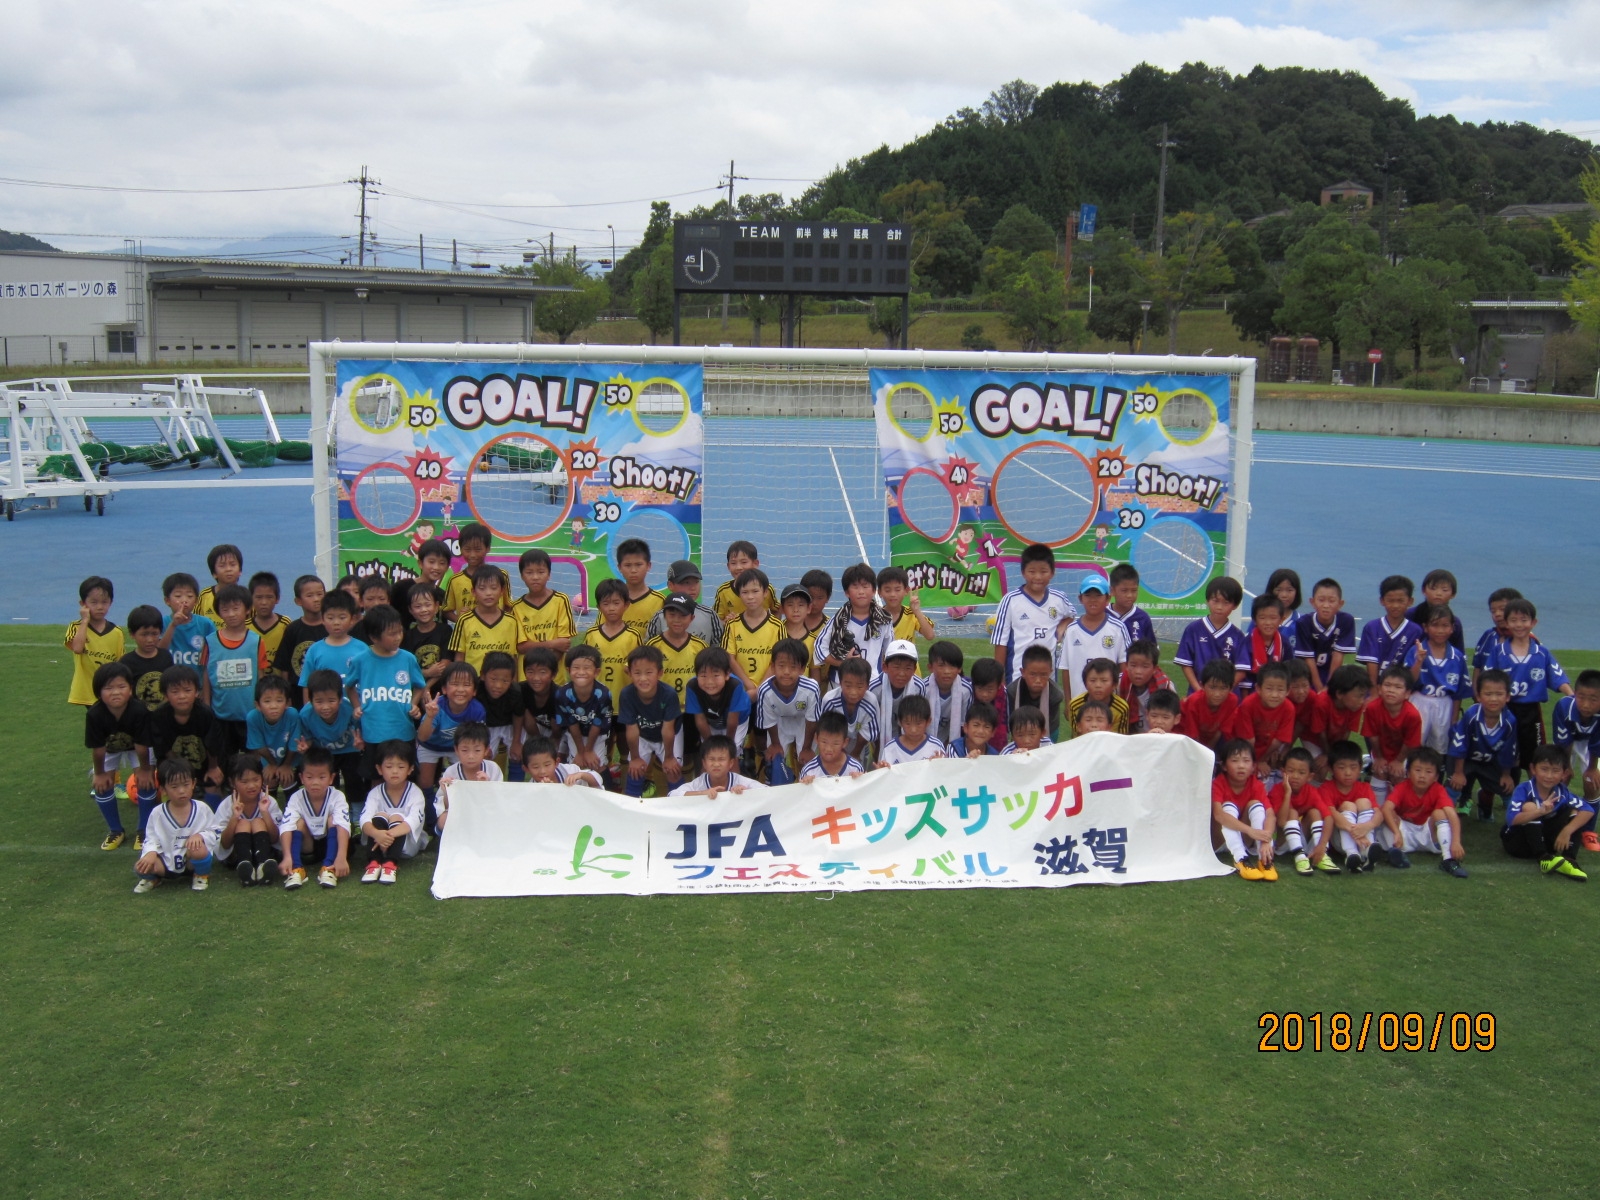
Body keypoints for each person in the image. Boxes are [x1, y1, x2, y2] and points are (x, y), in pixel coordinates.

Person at [1479, 597, 1571, 776]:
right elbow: (1487, 678)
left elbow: (1557, 676)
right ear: (1506, 623)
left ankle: (1536, 795)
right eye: (1513, 620)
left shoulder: (1541, 652)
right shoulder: (1499, 652)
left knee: (1535, 756)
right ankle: (1498, 795)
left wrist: (1571, 696)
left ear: (1533, 622)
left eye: (1524, 620)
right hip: (1505, 711)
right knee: (1504, 753)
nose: (1519, 625)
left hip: (1531, 714)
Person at [346, 604, 426, 784]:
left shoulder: (407, 658)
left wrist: (413, 704)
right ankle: (377, 811)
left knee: (406, 775)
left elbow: (420, 686)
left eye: (400, 631)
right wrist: (356, 706)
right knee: (377, 775)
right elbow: (349, 686)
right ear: (374, 637)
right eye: (392, 634)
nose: (398, 637)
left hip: (403, 730)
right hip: (374, 732)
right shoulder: (361, 660)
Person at [84, 662, 153, 851]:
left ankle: (144, 830)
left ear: (130, 690)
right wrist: (99, 774)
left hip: (137, 748)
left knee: (147, 781)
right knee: (102, 784)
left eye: (121, 687)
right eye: (109, 688)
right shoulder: (95, 714)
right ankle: (115, 830)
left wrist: (145, 770)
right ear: (99, 692)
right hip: (109, 749)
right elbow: (98, 750)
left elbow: (141, 746)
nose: (116, 692)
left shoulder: (139, 710)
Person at [200, 583, 271, 767]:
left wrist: (262, 704)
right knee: (224, 761)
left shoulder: (256, 641)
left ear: (247, 610)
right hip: (221, 715)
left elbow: (261, 675)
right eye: (225, 609)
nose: (231, 614)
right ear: (218, 612)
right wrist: (207, 705)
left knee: (253, 759)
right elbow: (206, 674)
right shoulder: (210, 641)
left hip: (249, 714)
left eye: (236, 608)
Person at [1501, 744, 1592, 880]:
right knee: (1530, 807)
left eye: (1555, 771)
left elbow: (1588, 810)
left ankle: (1569, 859)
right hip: (1518, 843)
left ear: (1564, 773)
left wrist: (1567, 830)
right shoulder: (1524, 789)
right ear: (1533, 769)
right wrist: (1539, 811)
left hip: (1547, 841)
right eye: (1544, 769)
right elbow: (1511, 819)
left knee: (1574, 810)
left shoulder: (1562, 791)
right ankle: (1543, 858)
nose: (1549, 776)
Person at [1377, 746, 1468, 876]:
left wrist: (1456, 842)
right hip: (1405, 834)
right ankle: (1397, 851)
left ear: (1436, 776)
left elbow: (1452, 814)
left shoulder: (1438, 789)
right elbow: (1386, 808)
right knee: (1388, 813)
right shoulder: (1402, 787)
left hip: (1428, 835)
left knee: (1440, 813)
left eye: (1428, 772)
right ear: (1408, 772)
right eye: (1418, 770)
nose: (1422, 776)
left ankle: (1448, 859)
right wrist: (1397, 832)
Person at [132, 758, 218, 894]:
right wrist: (150, 853)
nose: (181, 791)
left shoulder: (202, 809)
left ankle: (200, 875)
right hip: (166, 861)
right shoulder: (157, 813)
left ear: (193, 784)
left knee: (199, 849)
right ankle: (154, 879)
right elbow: (151, 838)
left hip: (191, 861)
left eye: (185, 784)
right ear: (163, 789)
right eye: (174, 787)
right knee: (141, 867)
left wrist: (200, 836)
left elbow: (215, 832)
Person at [990, 542, 1073, 683]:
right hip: (1018, 676)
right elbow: (1001, 643)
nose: (1038, 577)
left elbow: (1071, 615)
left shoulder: (1059, 599)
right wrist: (1000, 680)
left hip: (1048, 678)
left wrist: (1062, 627)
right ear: (1023, 572)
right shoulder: (1010, 600)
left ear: (1052, 572)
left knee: (1046, 705)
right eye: (1032, 571)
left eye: (1043, 571)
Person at [1448, 668, 1519, 822]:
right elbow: (1460, 745)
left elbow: (1508, 751)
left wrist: (1506, 775)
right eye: (1488, 694)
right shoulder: (1471, 715)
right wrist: (1459, 772)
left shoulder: (1510, 721)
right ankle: (1445, 819)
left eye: (1499, 694)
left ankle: (1516, 823)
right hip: (1465, 760)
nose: (1493, 699)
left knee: (1507, 788)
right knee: (1453, 784)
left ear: (1507, 697)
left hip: (1489, 762)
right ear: (1479, 696)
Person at [276, 746, 351, 888]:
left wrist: (341, 857)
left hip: (332, 846)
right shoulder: (296, 798)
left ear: (331, 778)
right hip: (308, 847)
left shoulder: (337, 796)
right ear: (301, 778)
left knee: (333, 820)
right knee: (298, 823)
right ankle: (297, 869)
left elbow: (343, 825)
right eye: (309, 777)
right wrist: (287, 857)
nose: (315, 782)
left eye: (322, 777)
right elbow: (286, 826)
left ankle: (329, 868)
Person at [145, 664, 224, 799]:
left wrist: (213, 768)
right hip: (173, 764)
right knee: (174, 788)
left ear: (196, 692)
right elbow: (163, 749)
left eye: (187, 690)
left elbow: (213, 745)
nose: (182, 696)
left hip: (204, 763)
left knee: (213, 784)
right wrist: (182, 774)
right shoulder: (159, 716)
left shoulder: (205, 714)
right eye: (175, 692)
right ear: (165, 695)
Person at [813, 563, 894, 686]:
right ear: (847, 592)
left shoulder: (884, 621)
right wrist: (842, 662)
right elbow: (819, 648)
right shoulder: (838, 620)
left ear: (873, 591)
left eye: (865, 586)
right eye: (855, 587)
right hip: (840, 684)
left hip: (873, 684)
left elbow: (891, 651)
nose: (861, 591)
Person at [358, 740, 428, 883]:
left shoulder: (415, 792)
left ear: (410, 769)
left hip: (405, 847)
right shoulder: (375, 793)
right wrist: (377, 834)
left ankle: (390, 864)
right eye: (389, 766)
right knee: (380, 816)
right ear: (379, 769)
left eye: (401, 766)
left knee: (397, 816)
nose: (394, 771)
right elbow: (364, 819)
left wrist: (386, 836)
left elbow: (412, 821)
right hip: (378, 842)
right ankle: (374, 863)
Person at [618, 645, 683, 797]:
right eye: (637, 673)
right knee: (635, 770)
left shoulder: (668, 694)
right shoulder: (627, 694)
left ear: (660, 673)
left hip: (669, 734)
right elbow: (631, 729)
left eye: (649, 673)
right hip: (643, 734)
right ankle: (632, 806)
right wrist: (634, 758)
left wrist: (669, 758)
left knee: (672, 770)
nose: (643, 678)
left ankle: (679, 804)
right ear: (630, 673)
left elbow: (668, 729)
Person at [1056, 572, 1129, 704]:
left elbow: (1124, 667)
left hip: (1109, 702)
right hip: (1079, 703)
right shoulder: (1072, 630)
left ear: (1107, 599)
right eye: (1088, 595)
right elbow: (1066, 669)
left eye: (1098, 595)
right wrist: (1068, 702)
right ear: (1080, 598)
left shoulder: (1118, 628)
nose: (1093, 600)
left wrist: (1122, 700)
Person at [213, 754, 284, 886]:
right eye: (244, 782)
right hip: (235, 855)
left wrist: (265, 813)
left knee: (258, 821)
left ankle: (263, 865)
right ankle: (245, 866)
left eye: (256, 779)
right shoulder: (227, 805)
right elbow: (224, 844)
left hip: (267, 852)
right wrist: (235, 818)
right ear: (232, 782)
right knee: (243, 823)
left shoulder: (269, 801)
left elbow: (275, 839)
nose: (251, 786)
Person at [756, 639, 820, 784]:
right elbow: (769, 721)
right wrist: (775, 744)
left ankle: (809, 789)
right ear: (772, 666)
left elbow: (812, 719)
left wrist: (807, 748)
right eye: (781, 666)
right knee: (775, 760)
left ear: (802, 669)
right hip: (779, 722)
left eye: (793, 667)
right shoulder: (764, 690)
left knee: (807, 761)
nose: (786, 672)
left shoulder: (811, 688)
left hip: (803, 722)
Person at [1212, 739, 1277, 881]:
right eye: (1235, 761)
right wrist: (1250, 831)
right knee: (1228, 806)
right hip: (1219, 840)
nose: (1241, 766)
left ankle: (1265, 860)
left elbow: (1270, 815)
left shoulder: (1256, 784)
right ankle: (1240, 859)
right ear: (1224, 766)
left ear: (1254, 766)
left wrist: (1266, 838)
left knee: (1256, 805)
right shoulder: (1218, 783)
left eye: (1246, 761)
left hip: (1245, 839)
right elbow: (1219, 816)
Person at [415, 661, 485, 790]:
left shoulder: (477, 710)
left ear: (474, 691)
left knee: (463, 780)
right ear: (444, 689)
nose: (460, 689)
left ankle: (457, 806)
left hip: (457, 748)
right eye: (454, 684)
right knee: (425, 783)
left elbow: (478, 738)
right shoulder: (437, 707)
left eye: (467, 685)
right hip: (430, 745)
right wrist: (430, 716)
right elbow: (422, 737)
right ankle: (429, 808)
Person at [1407, 603, 1467, 755]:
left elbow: (1458, 693)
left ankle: (1437, 776)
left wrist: (1454, 719)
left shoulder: (1457, 657)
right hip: (1419, 701)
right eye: (1435, 625)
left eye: (1445, 625)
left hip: (1444, 704)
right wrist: (1419, 661)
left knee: (1440, 748)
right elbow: (1409, 681)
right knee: (1413, 744)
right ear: (1425, 627)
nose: (1440, 630)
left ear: (1452, 628)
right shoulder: (1416, 651)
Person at [1174, 576, 1248, 694]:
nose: (1219, 607)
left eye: (1226, 602)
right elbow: (1186, 664)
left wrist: (1224, 690)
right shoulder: (1193, 629)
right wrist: (1198, 690)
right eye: (1215, 601)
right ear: (1207, 600)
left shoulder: (1238, 636)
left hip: (1226, 698)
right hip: (1198, 694)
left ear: (1235, 605)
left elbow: (1241, 669)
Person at [512, 548, 576, 683]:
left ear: (549, 574)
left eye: (541, 572)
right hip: (527, 679)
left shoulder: (561, 600)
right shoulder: (516, 607)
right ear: (522, 576)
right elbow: (521, 647)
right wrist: (552, 643)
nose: (535, 577)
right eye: (529, 572)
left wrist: (546, 670)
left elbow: (564, 644)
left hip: (554, 678)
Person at [297, 668, 362, 800]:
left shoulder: (350, 708)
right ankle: (330, 808)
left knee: (354, 778)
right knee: (329, 782)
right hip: (323, 752)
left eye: (331, 701)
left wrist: (360, 741)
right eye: (319, 701)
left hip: (349, 749)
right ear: (310, 700)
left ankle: (356, 812)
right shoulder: (305, 715)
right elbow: (308, 739)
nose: (325, 707)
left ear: (340, 699)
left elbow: (359, 729)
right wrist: (305, 747)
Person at [448, 563, 522, 678]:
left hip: (502, 685)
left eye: (493, 588)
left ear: (502, 591)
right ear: (473, 592)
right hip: (473, 684)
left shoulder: (511, 621)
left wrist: (515, 688)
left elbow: (514, 657)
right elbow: (459, 657)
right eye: (482, 588)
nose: (488, 593)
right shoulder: (464, 620)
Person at [1271, 747, 1337, 874]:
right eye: (1291, 771)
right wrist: (1288, 794)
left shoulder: (1311, 791)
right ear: (1282, 772)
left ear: (1310, 776)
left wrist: (1322, 845)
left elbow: (1328, 817)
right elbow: (1281, 822)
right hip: (1283, 844)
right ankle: (1299, 857)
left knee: (1315, 812)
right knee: (1292, 812)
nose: (1295, 776)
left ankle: (1322, 856)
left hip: (1301, 838)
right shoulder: (1277, 790)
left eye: (1301, 773)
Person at [683, 645, 751, 770]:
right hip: (710, 720)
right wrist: (711, 744)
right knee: (710, 753)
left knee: (731, 753)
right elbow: (700, 719)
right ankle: (708, 786)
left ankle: (735, 783)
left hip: (737, 721)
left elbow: (733, 720)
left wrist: (728, 744)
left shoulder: (735, 685)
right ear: (697, 675)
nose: (709, 682)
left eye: (715, 675)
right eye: (703, 676)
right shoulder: (692, 686)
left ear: (727, 674)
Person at [1364, 665, 1423, 804]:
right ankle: (1377, 810)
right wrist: (1378, 757)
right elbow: (1372, 736)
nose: (1391, 690)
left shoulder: (1412, 715)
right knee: (1380, 771)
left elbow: (1410, 743)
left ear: (1407, 693)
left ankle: (1398, 811)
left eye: (1397, 687)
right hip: (1381, 751)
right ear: (1379, 688)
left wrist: (1398, 761)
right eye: (1387, 685)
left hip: (1404, 754)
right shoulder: (1372, 708)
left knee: (1398, 775)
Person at [580, 578, 641, 712]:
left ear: (626, 605)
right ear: (598, 607)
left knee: (622, 733)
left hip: (624, 702)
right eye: (606, 603)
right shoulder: (591, 634)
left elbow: (638, 666)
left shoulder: (633, 636)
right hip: (596, 701)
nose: (611, 608)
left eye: (616, 603)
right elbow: (584, 665)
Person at [1551, 670, 1600, 835]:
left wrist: (1592, 768)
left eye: (1593, 700)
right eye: (1581, 697)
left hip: (1590, 743)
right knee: (1558, 778)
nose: (1586, 705)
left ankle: (1588, 832)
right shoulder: (1564, 706)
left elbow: (1596, 744)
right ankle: (1555, 821)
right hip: (1568, 744)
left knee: (1591, 782)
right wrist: (1566, 767)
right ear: (1575, 694)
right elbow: (1564, 741)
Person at [723, 567, 783, 697]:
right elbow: (729, 658)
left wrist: (760, 689)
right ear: (739, 594)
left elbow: (779, 659)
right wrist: (749, 685)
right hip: (741, 689)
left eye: (755, 591)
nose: (750, 597)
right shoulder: (732, 625)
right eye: (745, 592)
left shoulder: (777, 626)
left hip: (769, 689)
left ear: (765, 592)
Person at [1324, 739, 1383, 873]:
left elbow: (1379, 814)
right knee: (1348, 806)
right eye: (1341, 767)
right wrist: (1355, 832)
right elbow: (1331, 814)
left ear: (1361, 767)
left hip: (1361, 832)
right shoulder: (1326, 789)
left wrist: (1367, 826)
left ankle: (1366, 851)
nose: (1348, 772)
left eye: (1353, 767)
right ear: (1330, 768)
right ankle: (1351, 853)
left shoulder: (1364, 788)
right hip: (1339, 840)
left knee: (1364, 802)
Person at [66, 575, 124, 707]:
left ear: (111, 603)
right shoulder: (76, 627)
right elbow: (77, 648)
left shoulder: (117, 632)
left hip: (110, 691)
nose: (100, 607)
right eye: (94, 602)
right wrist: (85, 621)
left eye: (104, 602)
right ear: (83, 604)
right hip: (88, 691)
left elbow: (120, 662)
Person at [1227, 661, 1294, 777]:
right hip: (1241, 746)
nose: (1274, 695)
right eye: (1269, 689)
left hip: (1266, 750)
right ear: (1258, 688)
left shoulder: (1289, 708)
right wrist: (1254, 762)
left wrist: (1262, 759)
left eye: (1280, 690)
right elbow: (1248, 740)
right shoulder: (1248, 704)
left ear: (1288, 691)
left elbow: (1278, 741)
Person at [648, 594, 708, 722]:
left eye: (682, 616)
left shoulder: (700, 646)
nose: (677, 620)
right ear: (664, 616)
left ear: (692, 618)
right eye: (672, 615)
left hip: (692, 708)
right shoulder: (653, 646)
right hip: (661, 707)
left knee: (689, 741)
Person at [556, 645, 613, 776]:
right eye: (576, 668)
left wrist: (588, 751)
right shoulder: (562, 694)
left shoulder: (603, 694)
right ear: (568, 670)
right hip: (575, 734)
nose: (581, 672)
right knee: (576, 766)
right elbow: (571, 723)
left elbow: (598, 723)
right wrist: (581, 752)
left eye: (587, 668)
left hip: (596, 734)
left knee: (597, 764)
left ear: (597, 672)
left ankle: (606, 790)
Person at [1292, 577, 1356, 692]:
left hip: (1334, 673)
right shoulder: (1304, 623)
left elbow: (1338, 654)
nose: (1326, 605)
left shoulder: (1346, 620)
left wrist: (1329, 687)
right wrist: (1319, 688)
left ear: (1340, 604)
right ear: (1312, 602)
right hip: (1309, 674)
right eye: (1321, 600)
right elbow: (1308, 658)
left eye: (1331, 601)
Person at [1358, 575, 1424, 686]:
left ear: (1410, 601)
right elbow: (1371, 663)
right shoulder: (1372, 627)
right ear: (1382, 601)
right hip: (1376, 687)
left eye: (1400, 601)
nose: (1395, 605)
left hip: (1401, 690)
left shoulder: (1416, 631)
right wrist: (1374, 691)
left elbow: (1413, 665)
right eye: (1390, 600)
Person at [1305, 665, 1371, 776]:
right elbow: (1321, 733)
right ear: (1340, 694)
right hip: (1313, 739)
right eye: (1359, 696)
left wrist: (1336, 753)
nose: (1362, 701)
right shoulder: (1321, 703)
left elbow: (1347, 732)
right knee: (1321, 769)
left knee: (1342, 768)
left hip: (1335, 739)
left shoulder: (1355, 705)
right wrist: (1327, 754)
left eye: (1364, 696)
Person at [435, 722, 502, 831]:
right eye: (465, 750)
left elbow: (498, 801)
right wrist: (446, 791)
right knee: (443, 820)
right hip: (460, 812)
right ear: (456, 750)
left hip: (485, 812)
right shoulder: (451, 771)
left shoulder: (492, 768)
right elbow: (446, 806)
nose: (471, 756)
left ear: (486, 750)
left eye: (477, 750)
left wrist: (487, 786)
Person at [297, 588, 365, 692]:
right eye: (330, 618)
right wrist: (309, 708)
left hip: (355, 707)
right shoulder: (315, 650)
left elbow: (369, 681)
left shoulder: (362, 648)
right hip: (324, 707)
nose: (336, 622)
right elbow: (307, 684)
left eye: (342, 617)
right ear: (323, 619)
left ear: (352, 619)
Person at [274, 575, 326, 708]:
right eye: (310, 595)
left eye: (320, 594)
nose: (316, 599)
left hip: (326, 691)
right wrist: (286, 696)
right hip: (297, 691)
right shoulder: (293, 629)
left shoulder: (331, 628)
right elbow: (284, 667)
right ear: (298, 601)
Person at [645, 561, 726, 647]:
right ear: (670, 585)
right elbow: (649, 651)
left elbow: (719, 650)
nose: (693, 587)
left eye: (696, 582)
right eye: (686, 582)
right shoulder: (659, 617)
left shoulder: (709, 615)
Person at [245, 675, 301, 794]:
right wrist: (273, 764)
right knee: (269, 779)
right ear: (258, 705)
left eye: (279, 700)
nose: (273, 706)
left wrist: (286, 765)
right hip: (268, 760)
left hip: (291, 760)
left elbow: (294, 745)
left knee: (287, 778)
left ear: (288, 703)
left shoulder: (292, 715)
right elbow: (258, 746)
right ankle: (268, 810)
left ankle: (292, 811)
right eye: (267, 701)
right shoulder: (253, 717)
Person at [819, 656, 880, 764]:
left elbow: (867, 733)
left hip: (859, 743)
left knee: (857, 772)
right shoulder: (830, 700)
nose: (853, 692)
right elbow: (825, 729)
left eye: (859, 686)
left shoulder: (871, 702)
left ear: (867, 685)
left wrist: (855, 754)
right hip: (833, 741)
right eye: (848, 685)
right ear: (840, 683)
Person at [442, 524, 510, 621]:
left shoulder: (502, 575)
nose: (472, 555)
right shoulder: (455, 580)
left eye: (478, 549)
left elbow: (508, 606)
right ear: (460, 549)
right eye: (467, 549)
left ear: (488, 548)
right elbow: (446, 611)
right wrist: (462, 620)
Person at [475, 651, 525, 771]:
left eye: (505, 681)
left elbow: (518, 715)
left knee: (517, 754)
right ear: (482, 675)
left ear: (512, 679)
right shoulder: (476, 689)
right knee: (483, 757)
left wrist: (516, 742)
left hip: (509, 725)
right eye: (493, 679)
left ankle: (515, 785)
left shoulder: (515, 692)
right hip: (485, 726)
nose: (498, 685)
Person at [1178, 660, 1240, 754]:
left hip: (1206, 741)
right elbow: (1192, 735)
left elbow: (1221, 730)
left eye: (1223, 688)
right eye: (1212, 687)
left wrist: (1208, 751)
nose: (1217, 694)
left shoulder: (1232, 701)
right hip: (1182, 737)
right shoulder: (1194, 702)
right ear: (1202, 685)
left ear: (1231, 688)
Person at [670, 735, 763, 797]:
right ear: (704, 763)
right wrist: (702, 793)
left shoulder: (739, 781)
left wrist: (747, 791)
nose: (716, 764)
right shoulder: (699, 783)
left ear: (731, 763)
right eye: (711, 759)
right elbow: (672, 795)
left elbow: (767, 791)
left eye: (721, 759)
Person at [157, 571, 215, 671]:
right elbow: (158, 653)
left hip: (198, 683)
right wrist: (173, 625)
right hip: (169, 683)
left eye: (190, 596)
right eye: (178, 596)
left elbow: (214, 655)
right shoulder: (161, 623)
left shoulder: (205, 624)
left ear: (196, 601)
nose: (184, 600)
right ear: (167, 601)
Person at [121, 604, 173, 709]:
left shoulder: (166, 657)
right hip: (138, 719)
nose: (150, 640)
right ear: (132, 634)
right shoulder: (126, 662)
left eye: (154, 634)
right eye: (144, 634)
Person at [873, 639, 927, 742]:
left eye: (907, 668)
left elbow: (918, 715)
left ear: (914, 670)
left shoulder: (918, 687)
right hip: (880, 736)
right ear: (885, 667)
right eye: (896, 667)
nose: (901, 674)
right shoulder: (874, 688)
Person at [1005, 644, 1061, 742]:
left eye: (1044, 674)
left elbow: (1050, 729)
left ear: (1050, 672)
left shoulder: (1055, 695)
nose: (1038, 680)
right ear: (1023, 672)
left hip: (1047, 731)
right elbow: (1011, 723)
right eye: (1033, 674)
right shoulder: (1012, 691)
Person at [403, 582, 453, 689]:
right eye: (418, 606)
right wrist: (428, 673)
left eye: (428, 605)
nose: (424, 610)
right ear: (410, 610)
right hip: (415, 688)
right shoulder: (407, 636)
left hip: (441, 689)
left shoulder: (445, 630)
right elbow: (407, 669)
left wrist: (427, 686)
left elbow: (446, 663)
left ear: (436, 606)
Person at [923, 641, 972, 749]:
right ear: (930, 667)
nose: (947, 671)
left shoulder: (966, 690)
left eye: (952, 666)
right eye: (941, 666)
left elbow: (963, 723)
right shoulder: (923, 688)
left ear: (959, 669)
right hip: (924, 739)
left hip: (951, 740)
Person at [1471, 587, 1522, 687]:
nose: (1497, 614)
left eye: (1502, 609)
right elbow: (1478, 667)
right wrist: (1476, 694)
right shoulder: (1488, 636)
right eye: (1493, 611)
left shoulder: (1529, 640)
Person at [713, 541, 777, 621]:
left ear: (755, 563)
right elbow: (715, 621)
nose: (738, 567)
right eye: (733, 563)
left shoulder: (766, 588)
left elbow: (776, 610)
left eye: (744, 562)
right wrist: (726, 623)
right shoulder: (723, 591)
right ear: (728, 566)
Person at [392, 537, 453, 620]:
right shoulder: (401, 588)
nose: (436, 567)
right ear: (420, 563)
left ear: (446, 567)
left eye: (442, 563)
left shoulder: (443, 596)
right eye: (431, 562)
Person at [1119, 640, 1172, 733]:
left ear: (1154, 669)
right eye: (1133, 665)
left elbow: (1171, 716)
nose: (1138, 671)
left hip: (1158, 735)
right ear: (1126, 665)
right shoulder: (1118, 683)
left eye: (1145, 666)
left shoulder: (1164, 685)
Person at [615, 537, 664, 637]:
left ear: (648, 566)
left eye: (638, 564)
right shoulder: (611, 598)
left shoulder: (660, 601)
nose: (633, 570)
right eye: (628, 565)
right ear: (619, 567)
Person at [1240, 594, 1290, 693]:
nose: (1268, 622)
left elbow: (1288, 672)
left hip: (1277, 695)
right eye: (1262, 618)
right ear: (1254, 620)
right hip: (1252, 695)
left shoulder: (1284, 643)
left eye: (1273, 618)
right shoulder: (1246, 642)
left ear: (1281, 619)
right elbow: (1244, 680)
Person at [877, 693, 944, 766]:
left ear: (928, 721)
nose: (913, 730)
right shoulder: (890, 748)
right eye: (908, 723)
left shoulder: (936, 746)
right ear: (900, 722)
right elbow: (885, 774)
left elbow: (945, 774)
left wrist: (939, 765)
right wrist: (882, 769)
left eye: (918, 723)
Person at [1068, 659, 1130, 735]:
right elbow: (1076, 735)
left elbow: (1120, 738)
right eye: (1093, 680)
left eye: (1104, 680)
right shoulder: (1075, 705)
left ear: (1114, 684)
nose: (1098, 685)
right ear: (1085, 684)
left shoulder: (1121, 708)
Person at [877, 566, 935, 647]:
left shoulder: (911, 613)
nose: (893, 594)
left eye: (897, 590)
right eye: (887, 590)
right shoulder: (876, 616)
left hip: (909, 659)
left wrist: (917, 611)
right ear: (879, 592)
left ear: (906, 590)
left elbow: (930, 635)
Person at [1408, 569, 1464, 651]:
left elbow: (1459, 654)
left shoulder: (1455, 623)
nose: (1438, 593)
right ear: (1424, 590)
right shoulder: (1410, 615)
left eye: (1444, 590)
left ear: (1453, 594)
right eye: (1433, 588)